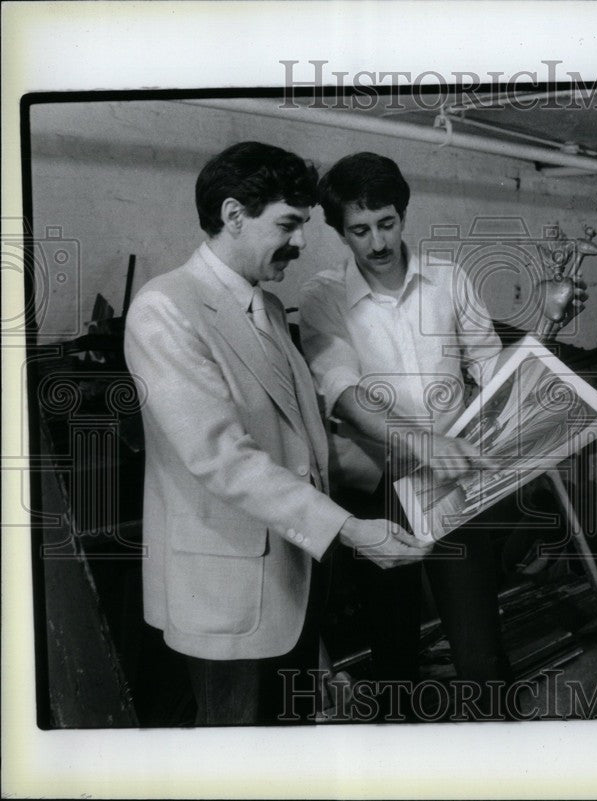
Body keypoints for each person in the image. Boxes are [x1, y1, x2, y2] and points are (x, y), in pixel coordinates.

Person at [123, 142, 427, 726]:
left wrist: (407, 471)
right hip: (228, 593)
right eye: (288, 224)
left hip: (293, 578)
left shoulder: (264, 305)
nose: (301, 242)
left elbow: (304, 440)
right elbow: (222, 458)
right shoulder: (165, 308)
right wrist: (350, 528)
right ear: (235, 215)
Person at [298, 151, 586, 720]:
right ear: (338, 231)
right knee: (393, 655)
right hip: (378, 492)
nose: (377, 243)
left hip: (455, 488)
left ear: (403, 215)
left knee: (481, 652)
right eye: (359, 231)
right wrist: (424, 443)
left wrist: (549, 328)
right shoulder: (322, 297)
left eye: (387, 224)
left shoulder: (450, 280)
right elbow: (343, 395)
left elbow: (494, 372)